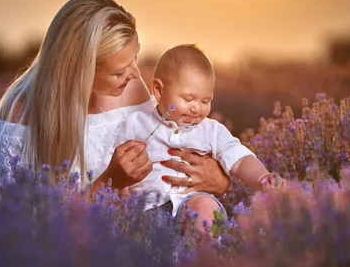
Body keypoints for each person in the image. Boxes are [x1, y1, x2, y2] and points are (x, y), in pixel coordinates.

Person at [0, 0, 230, 203]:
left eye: (135, 58)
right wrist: (110, 183)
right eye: (119, 72)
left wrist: (219, 180)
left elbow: (169, 146)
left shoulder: (131, 87)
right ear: (80, 73)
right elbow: (24, 229)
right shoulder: (21, 116)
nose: (135, 74)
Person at [114, 44, 284, 232]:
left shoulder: (211, 130)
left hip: (190, 203)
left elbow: (240, 158)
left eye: (206, 101)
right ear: (158, 90)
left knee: (205, 208)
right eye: (188, 99)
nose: (197, 108)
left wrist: (261, 177)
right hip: (147, 208)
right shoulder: (137, 124)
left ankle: (206, 256)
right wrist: (123, 197)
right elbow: (119, 165)